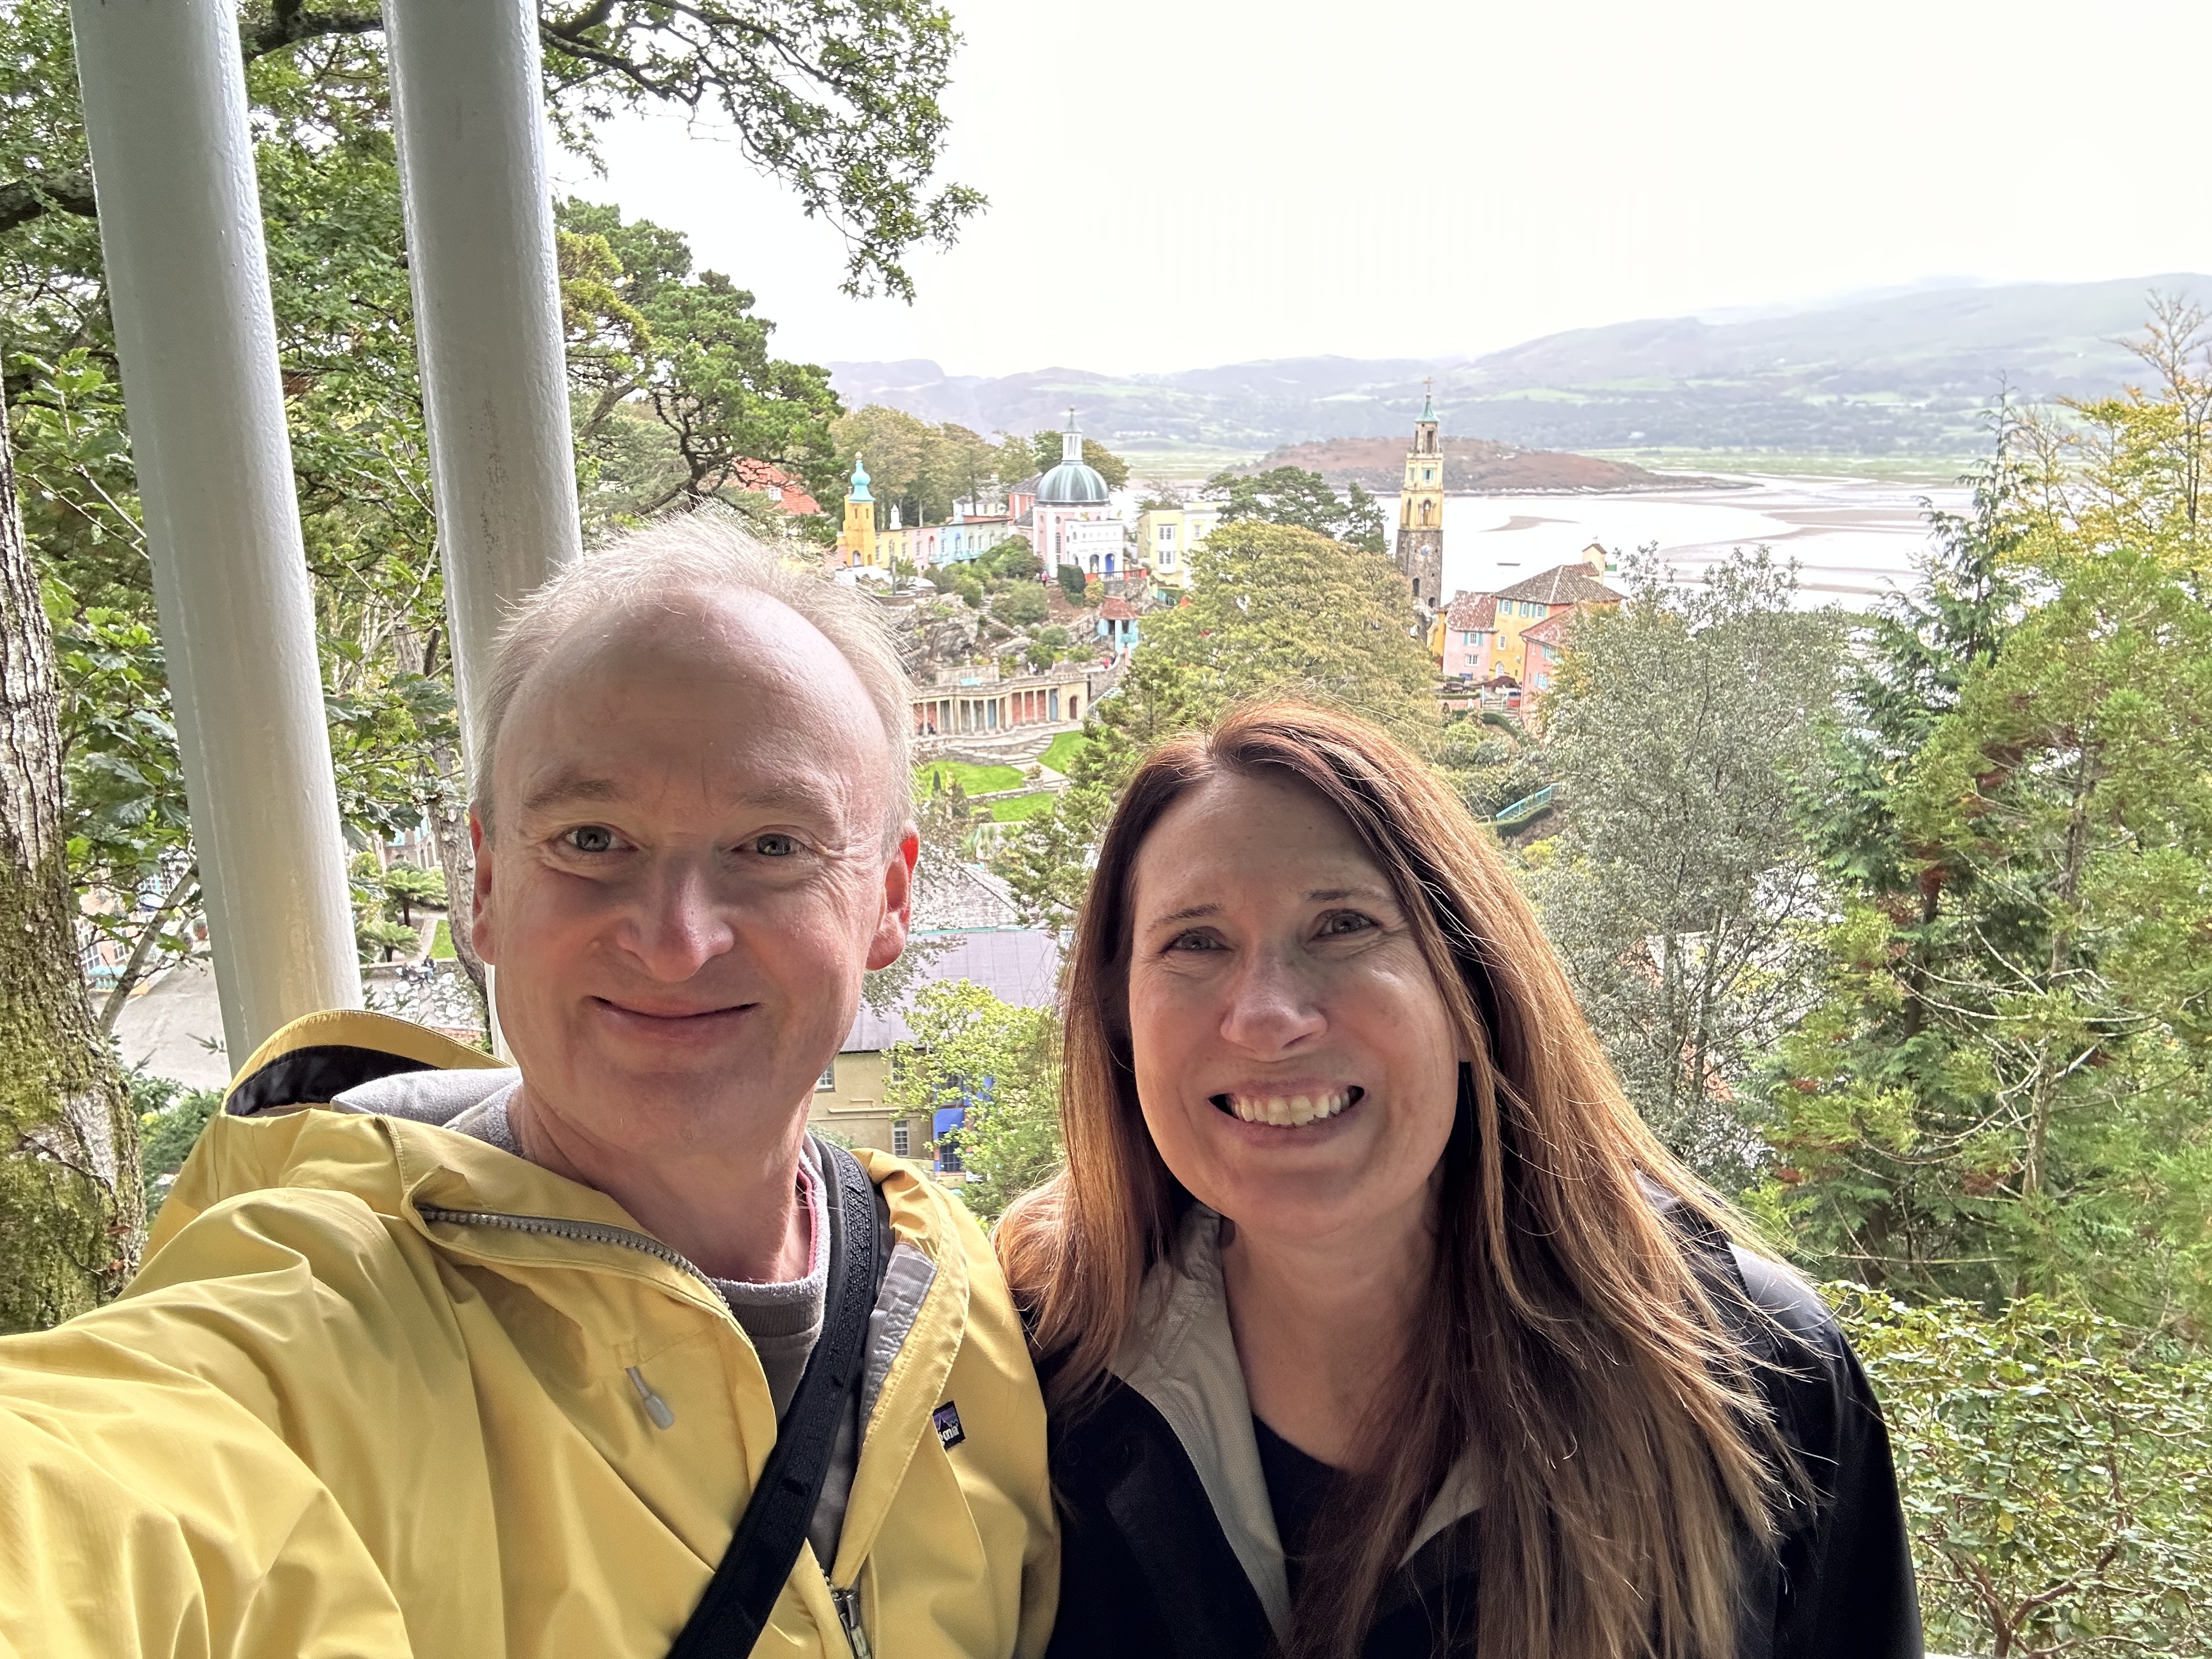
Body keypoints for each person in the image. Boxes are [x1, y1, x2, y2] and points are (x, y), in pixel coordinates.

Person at [0, 516, 1058, 1658]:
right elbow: (98, 1497)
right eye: (593, 839)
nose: (675, 943)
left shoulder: (954, 1290)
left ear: (891, 899)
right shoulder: (317, 1316)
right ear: (488, 887)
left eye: (771, 846)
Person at [997, 701, 1919, 1659]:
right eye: (1195, 941)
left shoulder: (1752, 1375)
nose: (1267, 1017)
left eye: (1343, 925)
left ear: (1469, 988)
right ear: (1120, 1016)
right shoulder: (1030, 1367)